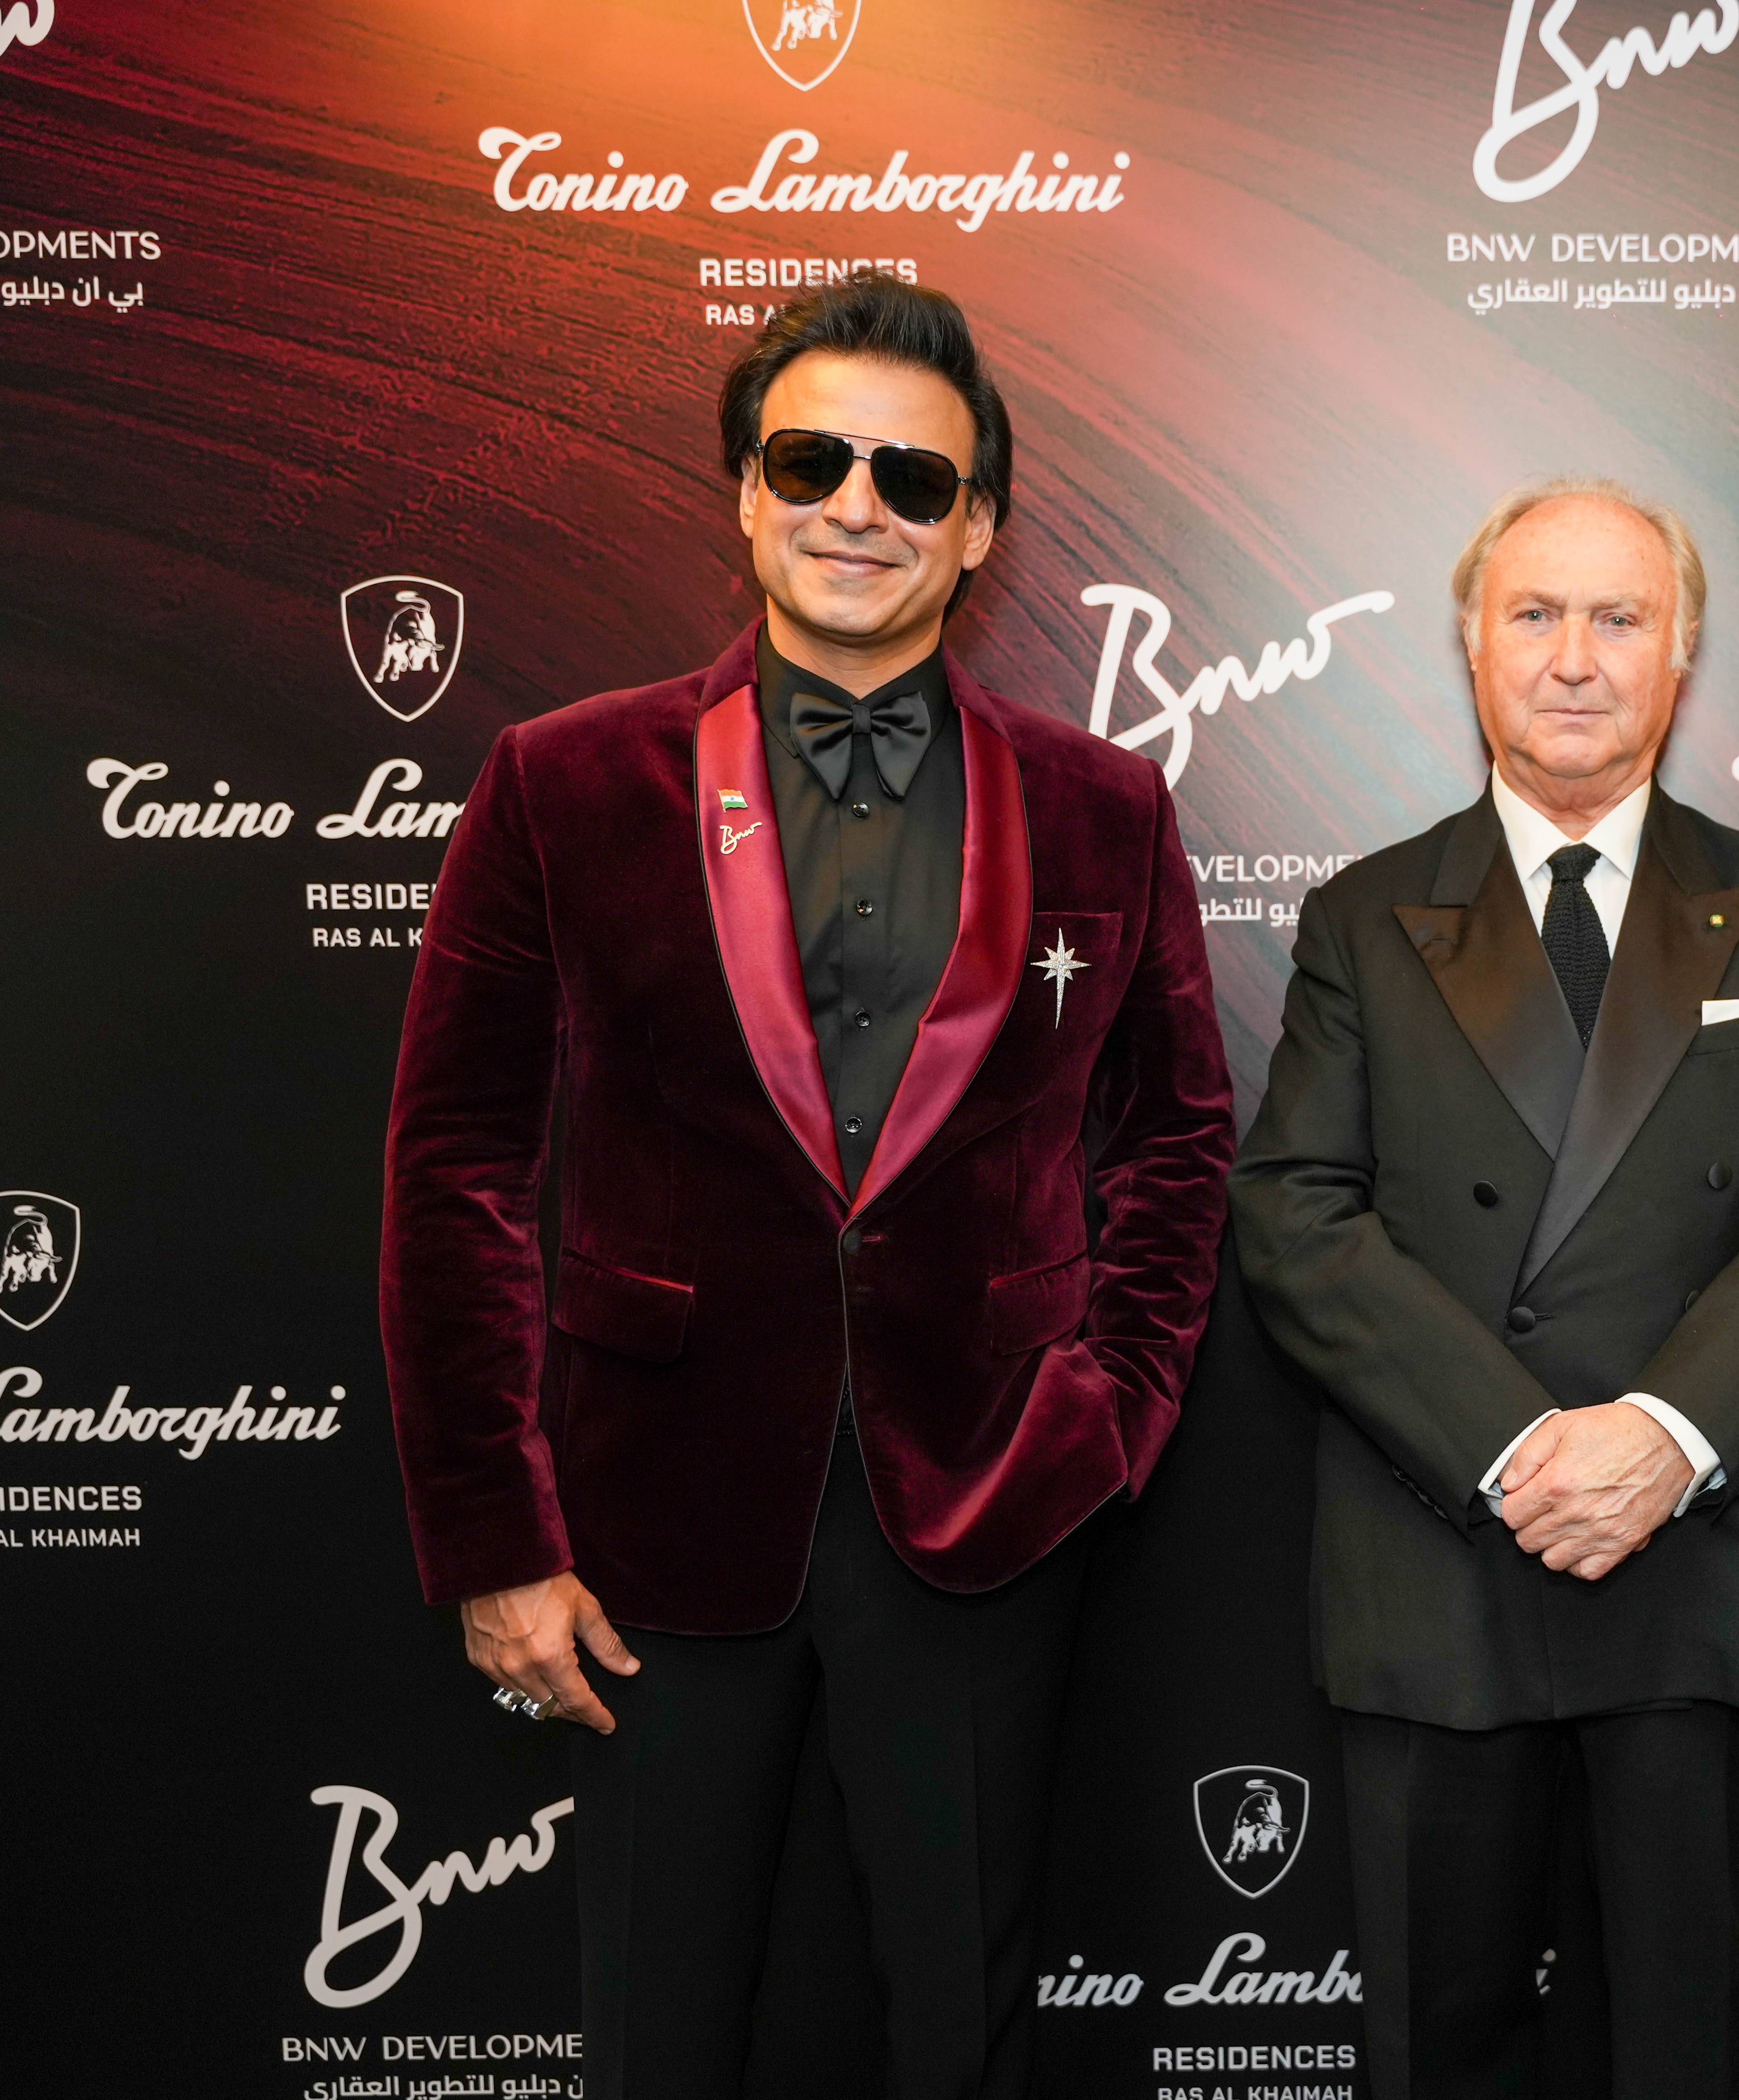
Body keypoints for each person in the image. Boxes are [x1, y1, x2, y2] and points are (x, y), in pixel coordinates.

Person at [378, 270, 1236, 2100]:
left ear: (977, 527)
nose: (859, 506)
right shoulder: (560, 781)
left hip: (992, 1503)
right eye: (810, 461)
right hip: (652, 1521)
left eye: (913, 480)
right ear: (746, 492)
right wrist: (496, 1535)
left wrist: (1109, 1414)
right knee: (662, 2026)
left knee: (961, 2033)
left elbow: (1177, 1134)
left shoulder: (1106, 805)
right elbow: (457, 1162)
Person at [1231, 476, 1739, 2098]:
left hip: (1702, 1560)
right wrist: (1517, 1448)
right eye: (1533, 614)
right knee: (1435, 2046)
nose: (1573, 658)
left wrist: (1664, 1436)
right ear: (1471, 645)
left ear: (1680, 656)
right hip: (1443, 1554)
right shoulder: (1361, 915)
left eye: (1619, 618)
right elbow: (1297, 1210)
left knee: (1694, 2049)